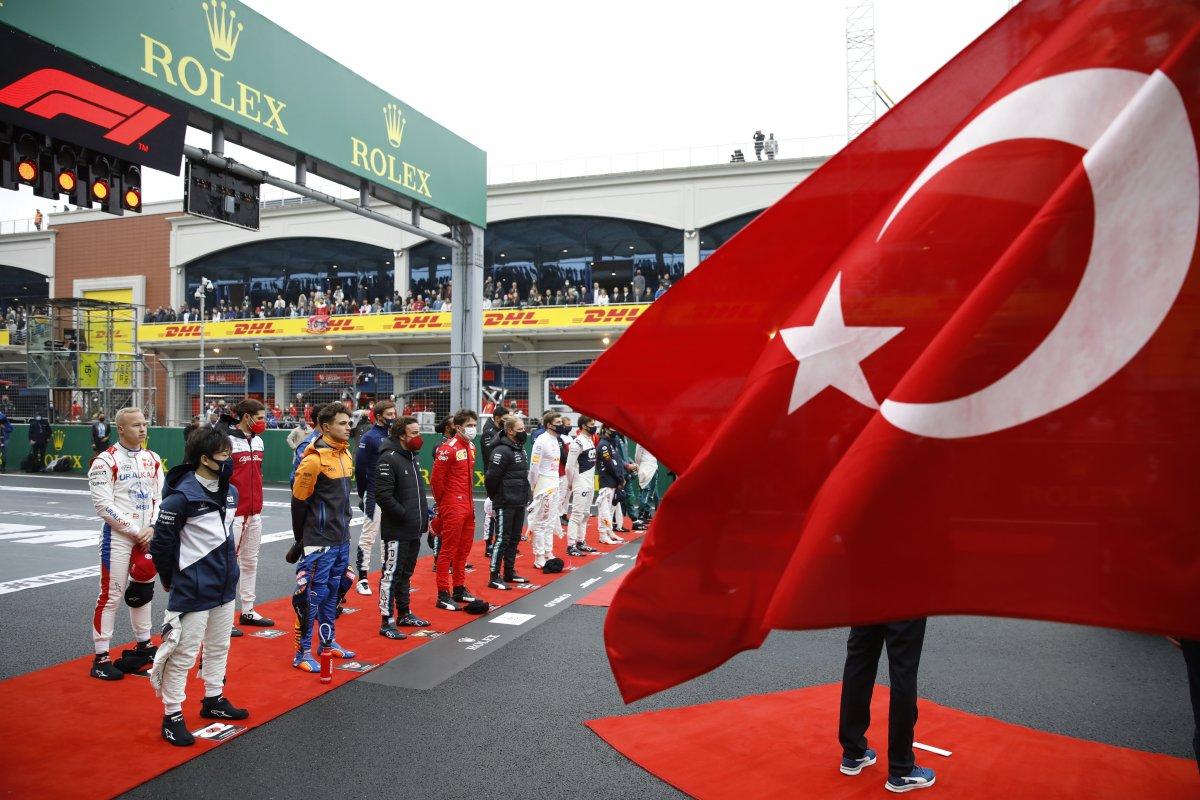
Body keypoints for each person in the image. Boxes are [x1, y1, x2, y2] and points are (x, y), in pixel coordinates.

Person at [149, 425, 248, 746]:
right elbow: (161, 547)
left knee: (220, 646)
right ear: (204, 459)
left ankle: (214, 699)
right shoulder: (179, 499)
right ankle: (172, 714)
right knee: (182, 653)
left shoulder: (231, 492)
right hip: (192, 588)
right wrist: (170, 580)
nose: (230, 461)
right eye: (224, 456)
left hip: (224, 585)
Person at [87, 407, 163, 680]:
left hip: (147, 536)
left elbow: (159, 498)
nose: (142, 429)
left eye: (144, 424)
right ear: (120, 429)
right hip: (118, 537)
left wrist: (152, 527)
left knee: (143, 592)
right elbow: (103, 506)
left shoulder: (153, 458)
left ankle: (144, 644)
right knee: (111, 595)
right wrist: (135, 530)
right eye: (135, 425)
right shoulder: (104, 461)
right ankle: (101, 658)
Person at [290, 402, 357, 672]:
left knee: (333, 593)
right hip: (318, 540)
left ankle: (327, 644)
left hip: (341, 537)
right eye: (343, 423)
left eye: (349, 422)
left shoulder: (346, 454)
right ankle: (302, 652)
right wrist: (300, 540)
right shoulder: (312, 460)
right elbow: (298, 503)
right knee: (310, 596)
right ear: (326, 427)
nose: (348, 426)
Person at [838, 619, 935, 792]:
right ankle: (901, 768)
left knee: (859, 657)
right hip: (905, 594)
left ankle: (852, 752)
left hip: (865, 592)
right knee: (903, 667)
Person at [374, 416, 432, 638]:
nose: (419, 438)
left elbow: (417, 495)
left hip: (413, 529)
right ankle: (386, 621)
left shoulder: (412, 457)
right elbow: (384, 497)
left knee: (406, 574)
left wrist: (422, 518)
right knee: (391, 575)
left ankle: (404, 613)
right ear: (401, 436)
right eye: (415, 433)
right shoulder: (388, 459)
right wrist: (405, 516)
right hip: (397, 531)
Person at [224, 398, 273, 631]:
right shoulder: (227, 440)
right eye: (261, 417)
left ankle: (248, 611)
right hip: (233, 514)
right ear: (247, 417)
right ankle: (224, 618)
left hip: (255, 513)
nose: (264, 422)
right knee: (228, 565)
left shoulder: (260, 442)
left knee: (250, 562)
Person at [430, 410, 479, 610]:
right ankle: (443, 593)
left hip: (468, 504)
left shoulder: (472, 447)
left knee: (464, 550)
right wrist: (443, 504)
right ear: (458, 427)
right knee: (448, 550)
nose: (473, 429)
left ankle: (459, 588)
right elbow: (435, 480)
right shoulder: (447, 448)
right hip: (452, 505)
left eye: (475, 425)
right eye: (470, 425)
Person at [353, 400, 397, 595]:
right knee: (368, 535)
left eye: (394, 413)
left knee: (389, 536)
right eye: (389, 414)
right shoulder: (369, 437)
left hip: (392, 493)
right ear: (379, 416)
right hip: (373, 492)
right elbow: (360, 468)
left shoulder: (395, 436)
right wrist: (363, 494)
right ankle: (362, 578)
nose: (392, 417)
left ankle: (387, 574)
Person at [484, 415, 533, 590]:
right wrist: (495, 497)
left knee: (513, 539)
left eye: (524, 429)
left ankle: (509, 572)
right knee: (502, 539)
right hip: (505, 501)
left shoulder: (520, 448)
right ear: (510, 431)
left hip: (519, 500)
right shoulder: (501, 451)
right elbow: (491, 478)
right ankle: (494, 576)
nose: (524, 432)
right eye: (520, 429)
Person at [528, 411, 564, 569]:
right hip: (543, 485)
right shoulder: (541, 441)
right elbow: (534, 466)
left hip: (554, 483)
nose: (561, 425)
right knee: (541, 522)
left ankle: (548, 552)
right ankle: (539, 556)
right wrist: (534, 486)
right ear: (549, 424)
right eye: (558, 422)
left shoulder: (556, 439)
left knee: (551, 521)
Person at [565, 415, 599, 556]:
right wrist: (571, 483)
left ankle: (581, 541)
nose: (594, 426)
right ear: (584, 426)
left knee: (585, 514)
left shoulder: (590, 440)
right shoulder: (577, 443)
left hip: (590, 482)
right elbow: (569, 466)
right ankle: (571, 545)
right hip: (580, 482)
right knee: (577, 515)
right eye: (592, 423)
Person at [480, 405, 510, 558]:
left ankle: (501, 542)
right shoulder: (488, 433)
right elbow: (492, 453)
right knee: (490, 511)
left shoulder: (501, 431)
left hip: (504, 476)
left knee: (503, 511)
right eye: (505, 419)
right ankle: (488, 544)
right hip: (493, 476)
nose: (507, 422)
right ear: (497, 418)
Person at [595, 425, 626, 546]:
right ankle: (603, 535)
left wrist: (620, 478)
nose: (616, 431)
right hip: (606, 481)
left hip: (613, 481)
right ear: (606, 429)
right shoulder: (603, 445)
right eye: (613, 428)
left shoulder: (611, 443)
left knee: (610, 509)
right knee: (604, 511)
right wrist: (619, 478)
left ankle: (609, 532)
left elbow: (617, 463)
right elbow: (609, 465)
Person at [631, 442, 659, 530]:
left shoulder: (653, 440)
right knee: (645, 492)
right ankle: (640, 515)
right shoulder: (640, 442)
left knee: (652, 493)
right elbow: (637, 455)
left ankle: (646, 514)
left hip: (654, 467)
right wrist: (639, 466)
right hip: (645, 467)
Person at [0, 408, 11, 472]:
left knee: (4, 453)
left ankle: (3, 467)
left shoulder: (6, 422)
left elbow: (11, 429)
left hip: (5, 439)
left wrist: (4, 427)